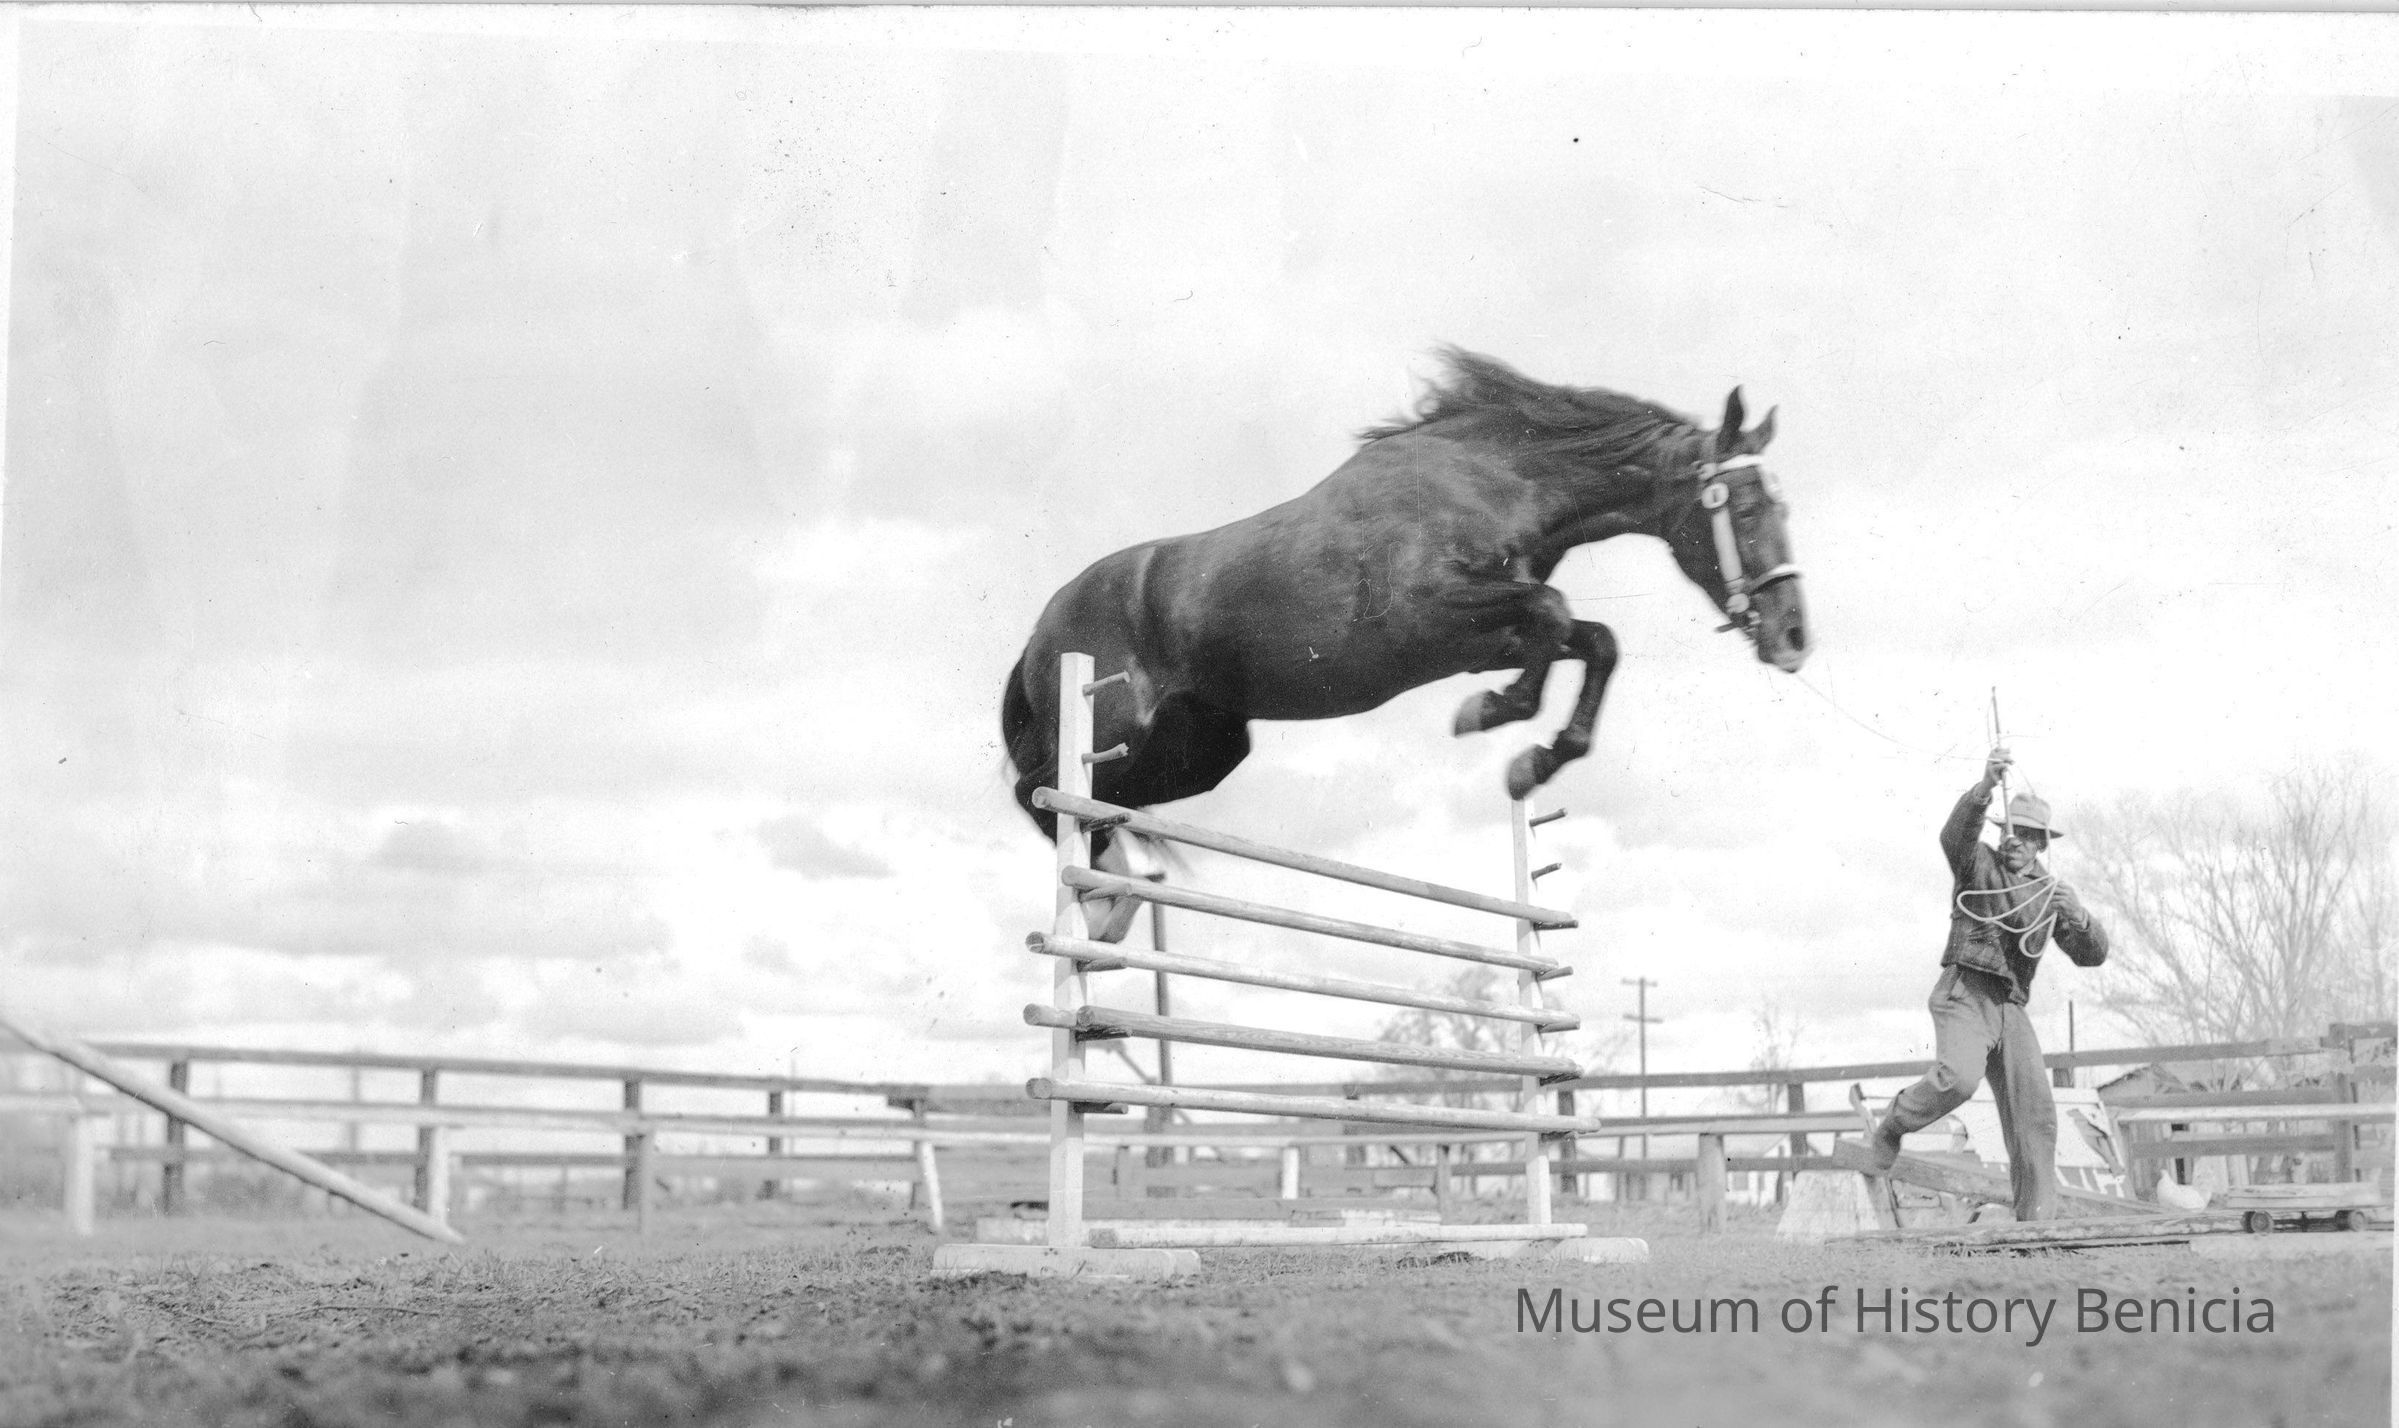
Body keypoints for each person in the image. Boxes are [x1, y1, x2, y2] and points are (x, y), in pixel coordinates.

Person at [1864, 747, 2110, 1222]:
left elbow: (2092, 956)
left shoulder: (2051, 894)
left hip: (2010, 1006)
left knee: (2035, 1114)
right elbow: (1954, 834)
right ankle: (1894, 1125)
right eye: (2010, 830)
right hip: (1966, 991)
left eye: (2027, 835)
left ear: (2041, 845)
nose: (2015, 840)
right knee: (1958, 1079)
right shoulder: (1975, 862)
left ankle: (2036, 1226)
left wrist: (2080, 918)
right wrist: (1984, 787)